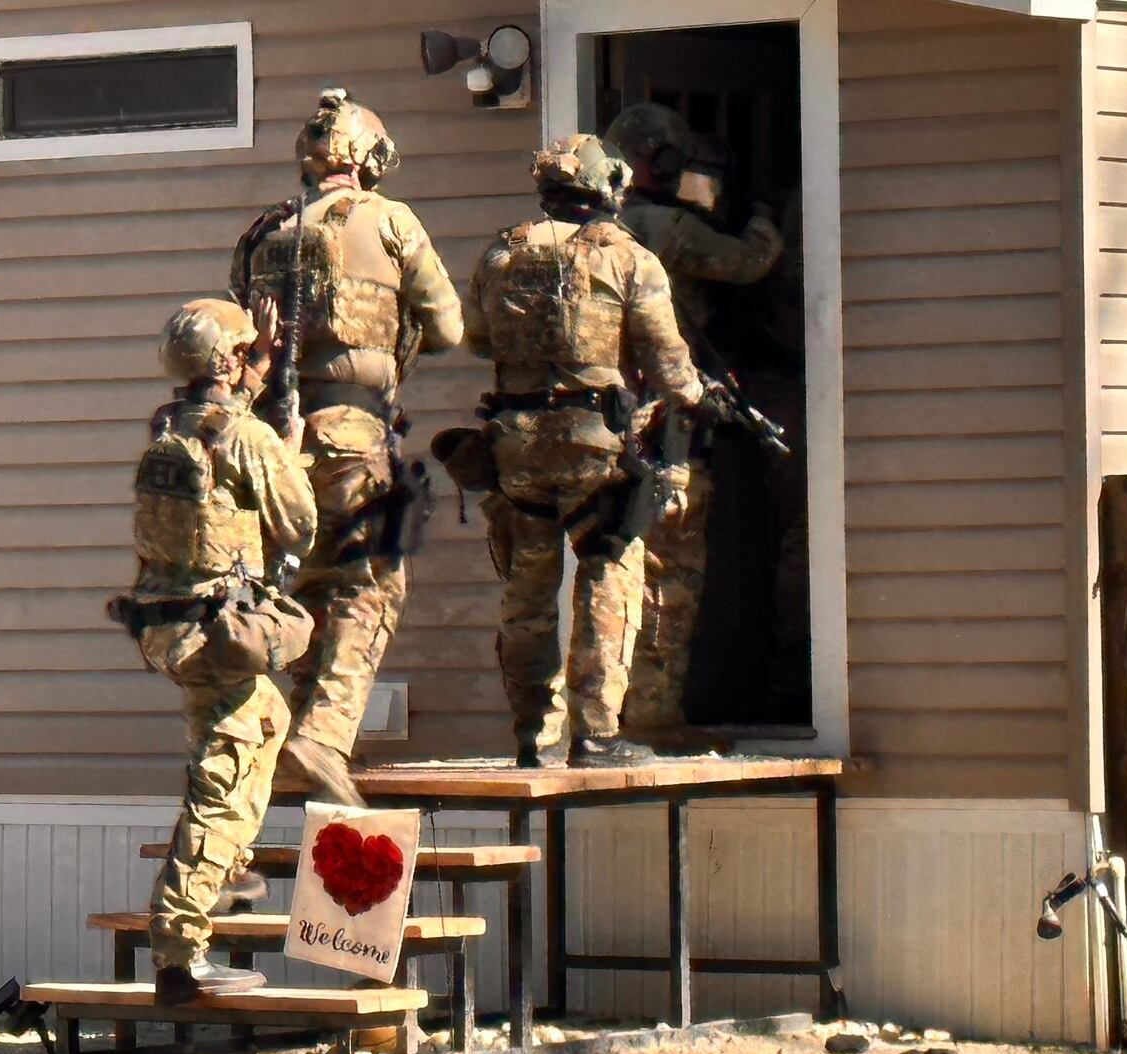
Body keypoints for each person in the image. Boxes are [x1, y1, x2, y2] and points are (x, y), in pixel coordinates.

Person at [231, 89, 465, 805]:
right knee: (373, 580)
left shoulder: (266, 231)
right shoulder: (391, 220)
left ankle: (296, 742)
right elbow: (448, 327)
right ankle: (325, 737)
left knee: (309, 585)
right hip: (353, 433)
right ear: (365, 157)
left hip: (278, 439)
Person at [463, 134, 706, 768]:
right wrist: (692, 394)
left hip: (516, 445)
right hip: (594, 446)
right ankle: (596, 733)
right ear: (607, 187)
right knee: (608, 574)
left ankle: (532, 734)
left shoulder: (501, 251)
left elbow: (479, 339)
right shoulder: (629, 257)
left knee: (527, 590)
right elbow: (670, 367)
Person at [112, 298, 318, 1004]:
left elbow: (218, 440)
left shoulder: (168, 428)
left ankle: (223, 870)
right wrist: (289, 450)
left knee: (264, 723)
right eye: (245, 350)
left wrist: (255, 371)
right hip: (217, 631)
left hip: (171, 625)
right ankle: (180, 952)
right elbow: (299, 525)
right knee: (224, 780)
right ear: (226, 363)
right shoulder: (249, 439)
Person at [603, 104, 786, 744]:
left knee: (611, 571)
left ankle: (606, 717)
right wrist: (762, 212)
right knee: (670, 572)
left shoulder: (591, 234)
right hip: (669, 427)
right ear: (659, 160)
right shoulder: (664, 226)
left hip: (604, 425)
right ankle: (652, 716)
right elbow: (750, 262)